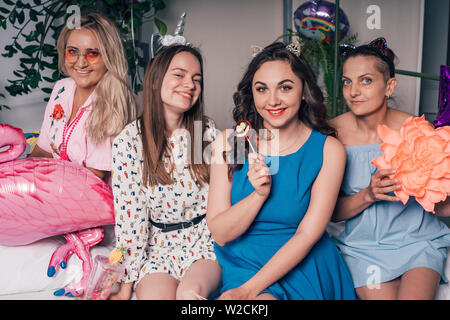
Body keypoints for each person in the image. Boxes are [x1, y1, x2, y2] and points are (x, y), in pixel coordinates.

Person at [206, 41, 357, 300]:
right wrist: (258, 195)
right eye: (262, 89)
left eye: (285, 87)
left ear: (303, 91)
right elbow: (220, 232)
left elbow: (308, 234)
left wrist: (246, 292)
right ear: (251, 94)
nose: (273, 100)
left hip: (302, 262)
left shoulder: (328, 150)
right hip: (245, 263)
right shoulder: (233, 142)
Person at [329, 37, 450, 300]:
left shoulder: (415, 130)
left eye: (366, 80)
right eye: (347, 82)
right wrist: (368, 195)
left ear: (390, 85)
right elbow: (329, 213)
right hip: (360, 248)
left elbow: (441, 203)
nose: (354, 91)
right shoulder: (331, 135)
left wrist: (431, 187)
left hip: (418, 242)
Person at [109, 39, 222, 300]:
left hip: (204, 244)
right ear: (155, 80)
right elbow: (131, 221)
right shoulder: (130, 141)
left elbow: (230, 196)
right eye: (179, 75)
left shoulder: (206, 134)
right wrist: (126, 287)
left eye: (197, 79)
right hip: (156, 250)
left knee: (190, 294)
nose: (190, 85)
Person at [30, 12, 137, 181]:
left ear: (109, 56)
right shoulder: (61, 89)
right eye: (72, 52)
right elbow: (42, 151)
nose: (81, 63)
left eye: (92, 53)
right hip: (57, 190)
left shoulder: (111, 102)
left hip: (93, 199)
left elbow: (93, 179)